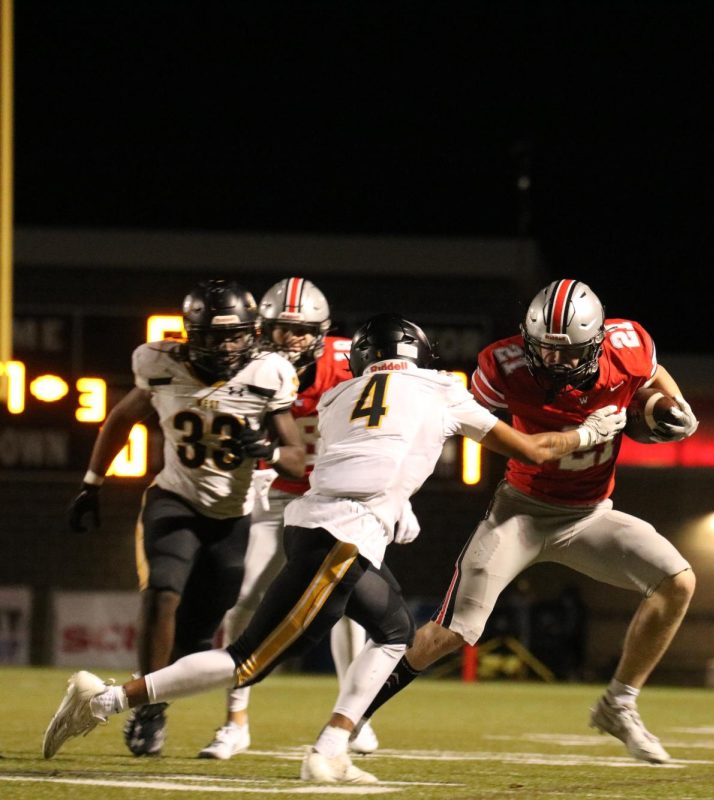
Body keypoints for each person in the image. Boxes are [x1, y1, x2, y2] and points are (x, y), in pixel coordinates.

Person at [44, 312, 628, 785]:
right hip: (342, 535)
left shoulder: (338, 395)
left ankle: (330, 747)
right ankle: (102, 702)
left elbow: (365, 456)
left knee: (396, 631)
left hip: (323, 522)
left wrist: (394, 506)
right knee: (247, 660)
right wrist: (595, 430)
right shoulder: (440, 391)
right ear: (419, 353)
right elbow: (535, 452)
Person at [354, 278, 699, 764]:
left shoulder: (630, 345)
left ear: (598, 341)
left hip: (590, 516)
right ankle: (355, 714)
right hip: (520, 513)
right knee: (451, 632)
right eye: (544, 350)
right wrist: (579, 436)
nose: (554, 362)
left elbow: (653, 376)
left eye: (567, 353)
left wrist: (677, 408)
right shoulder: (503, 366)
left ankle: (618, 705)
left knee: (677, 582)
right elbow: (468, 424)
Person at [64, 278, 307, 757]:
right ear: (191, 332)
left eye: (237, 334)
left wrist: (269, 450)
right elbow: (120, 418)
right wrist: (92, 482)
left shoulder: (270, 372)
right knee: (162, 592)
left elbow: (298, 457)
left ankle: (153, 694)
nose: (228, 345)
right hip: (174, 500)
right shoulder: (159, 363)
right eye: (216, 336)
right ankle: (147, 713)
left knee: (198, 637)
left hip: (233, 515)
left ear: (253, 332)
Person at [198, 277, 386, 760]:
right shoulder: (252, 367)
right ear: (266, 329)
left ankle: (354, 716)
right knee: (245, 597)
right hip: (279, 493)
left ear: (322, 331)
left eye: (303, 330)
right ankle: (235, 720)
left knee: (349, 603)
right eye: (283, 329)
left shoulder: (351, 362)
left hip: (337, 496)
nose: (293, 339)